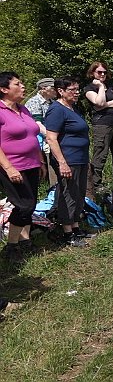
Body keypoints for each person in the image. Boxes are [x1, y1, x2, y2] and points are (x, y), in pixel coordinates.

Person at [0, 72, 46, 262]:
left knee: (31, 203)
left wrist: (40, 161)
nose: (23, 87)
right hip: (12, 165)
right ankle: (11, 247)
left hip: (32, 164)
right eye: (18, 84)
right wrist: (9, 168)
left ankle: (24, 240)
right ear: (4, 90)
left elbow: (32, 137)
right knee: (23, 204)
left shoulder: (23, 109)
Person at [44, 78, 90, 247]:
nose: (76, 92)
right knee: (68, 194)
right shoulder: (56, 110)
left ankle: (76, 227)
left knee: (78, 193)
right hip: (68, 159)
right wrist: (62, 162)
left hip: (80, 158)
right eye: (72, 89)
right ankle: (67, 232)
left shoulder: (74, 108)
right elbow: (51, 138)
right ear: (60, 91)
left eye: (78, 89)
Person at [83, 62, 113, 194]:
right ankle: (95, 183)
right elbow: (97, 102)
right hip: (101, 124)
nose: (102, 74)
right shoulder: (89, 88)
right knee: (101, 153)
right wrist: (101, 87)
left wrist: (104, 105)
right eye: (99, 72)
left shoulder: (111, 86)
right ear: (92, 73)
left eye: (104, 72)